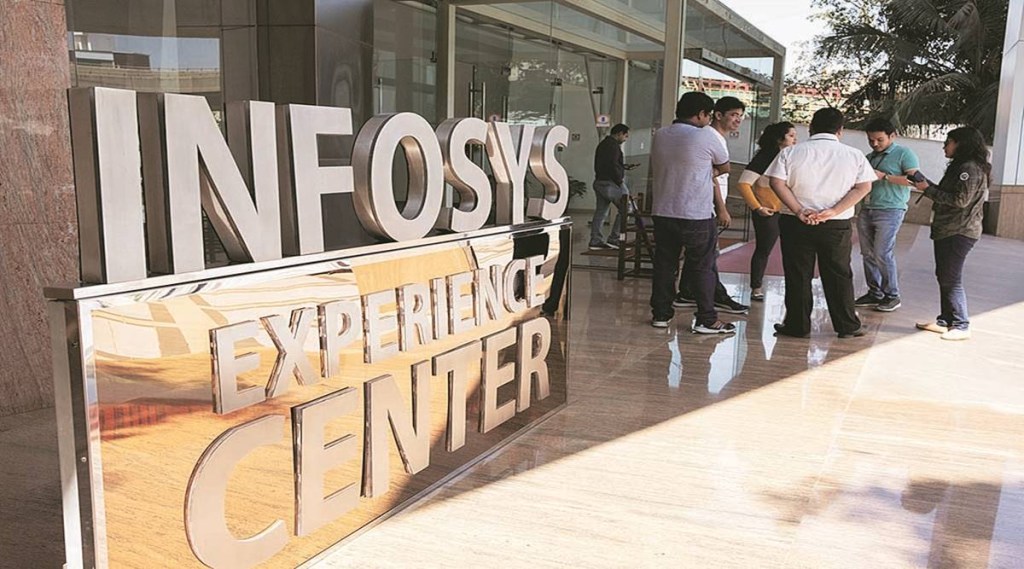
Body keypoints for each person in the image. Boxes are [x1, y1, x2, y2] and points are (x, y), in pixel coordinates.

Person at [765, 107, 876, 338]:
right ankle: (847, 325)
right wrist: (833, 210)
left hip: (795, 222)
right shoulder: (854, 155)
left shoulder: (791, 153)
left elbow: (776, 182)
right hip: (836, 224)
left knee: (797, 273)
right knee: (838, 273)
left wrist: (799, 210)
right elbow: (864, 187)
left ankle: (797, 325)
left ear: (812, 127)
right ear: (840, 130)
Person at [648, 92, 735, 334]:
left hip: (663, 211)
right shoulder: (706, 135)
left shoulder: (660, 135)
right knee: (702, 266)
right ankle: (707, 319)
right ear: (701, 115)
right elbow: (725, 166)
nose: (708, 120)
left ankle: (661, 315)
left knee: (665, 265)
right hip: (696, 213)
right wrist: (705, 173)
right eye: (708, 116)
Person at [911, 126, 989, 341]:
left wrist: (927, 188)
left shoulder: (969, 169)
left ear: (961, 144)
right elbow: (949, 194)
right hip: (949, 229)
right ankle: (945, 320)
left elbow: (959, 200)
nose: (944, 146)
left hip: (959, 230)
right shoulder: (961, 167)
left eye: (948, 142)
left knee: (951, 278)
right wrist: (925, 184)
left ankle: (962, 324)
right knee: (943, 275)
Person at [675, 96, 750, 315]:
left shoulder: (716, 137)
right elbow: (710, 176)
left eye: (740, 116)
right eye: (734, 115)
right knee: (708, 255)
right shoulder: (708, 136)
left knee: (699, 254)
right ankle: (716, 296)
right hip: (704, 206)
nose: (738, 120)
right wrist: (721, 209)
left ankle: (686, 292)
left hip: (707, 204)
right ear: (718, 115)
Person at [854, 118, 921, 312]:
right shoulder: (869, 157)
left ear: (893, 136)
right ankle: (874, 293)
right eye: (871, 140)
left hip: (891, 210)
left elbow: (915, 181)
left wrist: (884, 176)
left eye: (879, 140)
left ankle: (892, 295)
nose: (875, 144)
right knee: (867, 253)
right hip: (867, 208)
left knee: (882, 252)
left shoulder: (904, 153)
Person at [736, 121, 797, 301]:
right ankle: (756, 287)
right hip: (768, 212)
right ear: (779, 138)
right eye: (791, 136)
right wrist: (757, 207)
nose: (795, 140)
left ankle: (792, 287)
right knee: (764, 250)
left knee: (793, 250)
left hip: (787, 211)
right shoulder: (765, 157)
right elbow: (743, 184)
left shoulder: (788, 156)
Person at [589, 123, 633, 250]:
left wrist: (622, 167)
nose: (626, 139)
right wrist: (619, 180)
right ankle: (615, 238)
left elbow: (607, 163)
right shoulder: (613, 146)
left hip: (600, 182)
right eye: (625, 136)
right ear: (619, 133)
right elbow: (612, 165)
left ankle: (595, 240)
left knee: (601, 212)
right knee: (626, 207)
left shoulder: (604, 144)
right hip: (610, 183)